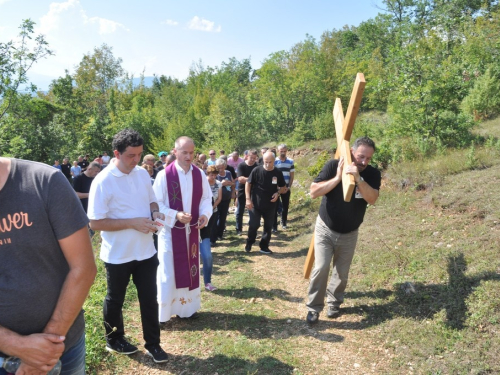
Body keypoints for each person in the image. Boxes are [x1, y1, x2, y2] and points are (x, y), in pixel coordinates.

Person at [0, 157, 97, 375]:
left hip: (63, 350)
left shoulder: (43, 180)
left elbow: (84, 267)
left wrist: (45, 350)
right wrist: (16, 345)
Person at [87, 129, 169, 363]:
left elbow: (152, 198)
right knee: (115, 299)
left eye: (139, 155)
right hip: (117, 254)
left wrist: (155, 212)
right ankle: (114, 339)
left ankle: (153, 344)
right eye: (131, 156)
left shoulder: (142, 174)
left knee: (149, 298)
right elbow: (95, 222)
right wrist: (132, 223)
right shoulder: (103, 181)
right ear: (117, 153)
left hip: (145, 250)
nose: (136, 161)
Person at [305, 137, 381, 324]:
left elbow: (372, 199)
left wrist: (358, 178)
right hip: (326, 227)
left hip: (350, 232)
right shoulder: (333, 165)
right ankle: (314, 307)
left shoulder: (372, 174)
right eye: (361, 156)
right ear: (352, 152)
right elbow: (314, 192)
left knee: (341, 272)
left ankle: (334, 302)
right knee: (321, 268)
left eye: (368, 159)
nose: (363, 162)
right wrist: (338, 178)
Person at [152, 136, 212, 322]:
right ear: (174, 151)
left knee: (190, 266)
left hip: (191, 232)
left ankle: (187, 310)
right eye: (184, 152)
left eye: (191, 152)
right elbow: (156, 204)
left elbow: (205, 199)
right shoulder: (164, 175)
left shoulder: (199, 174)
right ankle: (164, 313)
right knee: (168, 271)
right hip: (170, 233)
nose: (188, 156)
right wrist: (175, 215)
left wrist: (204, 215)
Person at [245, 151, 286, 254]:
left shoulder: (277, 173)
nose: (267, 164)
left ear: (274, 161)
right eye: (265, 162)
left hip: (270, 205)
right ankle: (250, 242)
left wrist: (278, 193)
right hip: (256, 204)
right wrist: (248, 199)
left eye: (270, 162)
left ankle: (264, 246)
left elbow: (283, 187)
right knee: (254, 224)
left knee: (268, 226)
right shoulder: (256, 170)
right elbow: (248, 184)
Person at [200, 165, 222, 292]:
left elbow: (217, 200)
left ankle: (207, 282)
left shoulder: (210, 198)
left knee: (207, 256)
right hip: (188, 230)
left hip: (204, 230)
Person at [211, 158, 234, 245]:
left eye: (221, 167)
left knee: (223, 217)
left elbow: (233, 183)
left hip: (226, 198)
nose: (220, 170)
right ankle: (214, 235)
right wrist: (221, 183)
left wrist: (230, 186)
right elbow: (212, 184)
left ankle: (220, 234)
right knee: (215, 217)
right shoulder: (215, 174)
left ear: (225, 166)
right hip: (216, 199)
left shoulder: (228, 173)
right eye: (218, 167)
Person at [235, 149, 258, 235]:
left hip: (253, 192)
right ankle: (238, 228)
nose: (252, 160)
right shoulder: (241, 165)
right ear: (247, 156)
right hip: (241, 190)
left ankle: (251, 228)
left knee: (252, 211)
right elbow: (240, 179)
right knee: (240, 210)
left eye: (254, 158)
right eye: (251, 157)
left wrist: (247, 179)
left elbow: (258, 180)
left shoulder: (257, 166)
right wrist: (252, 180)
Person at [273, 144, 295, 231]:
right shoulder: (274, 161)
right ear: (278, 151)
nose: (283, 153)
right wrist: (277, 187)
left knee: (285, 206)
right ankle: (274, 226)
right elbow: (273, 176)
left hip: (286, 188)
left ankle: (284, 222)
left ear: (287, 151)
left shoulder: (290, 161)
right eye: (281, 151)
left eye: (284, 151)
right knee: (275, 207)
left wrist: (288, 187)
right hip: (276, 188)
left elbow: (292, 176)